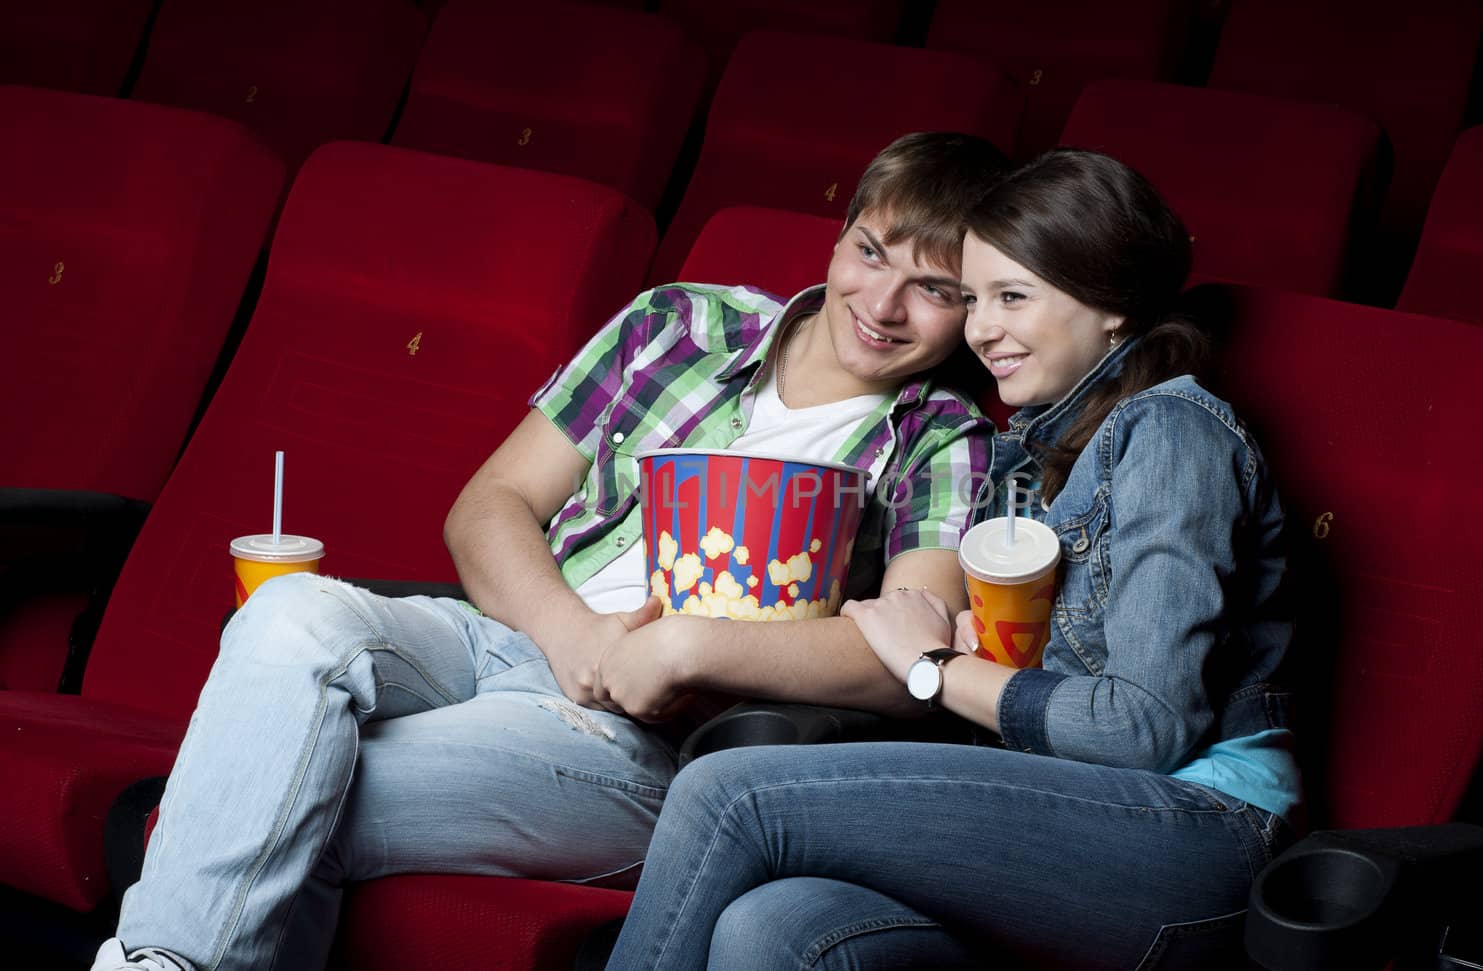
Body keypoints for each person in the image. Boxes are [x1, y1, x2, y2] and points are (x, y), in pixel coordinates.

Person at [91, 131, 1008, 971]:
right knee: (288, 612)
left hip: (643, 738)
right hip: (508, 633)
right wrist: (572, 636)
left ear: (972, 310)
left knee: (281, 791)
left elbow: (904, 659)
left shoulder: (943, 436)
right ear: (841, 235)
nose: (882, 303)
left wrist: (681, 647)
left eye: (934, 289)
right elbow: (488, 505)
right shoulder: (678, 324)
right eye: (872, 251)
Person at [602, 148, 1300, 971]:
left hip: (1197, 830)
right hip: (1065, 818)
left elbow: (1140, 727)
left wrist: (933, 667)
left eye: (1013, 297)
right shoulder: (1026, 452)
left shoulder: (1173, 432)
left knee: (731, 792)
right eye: (972, 299)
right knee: (772, 924)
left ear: (1112, 305)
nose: (981, 330)